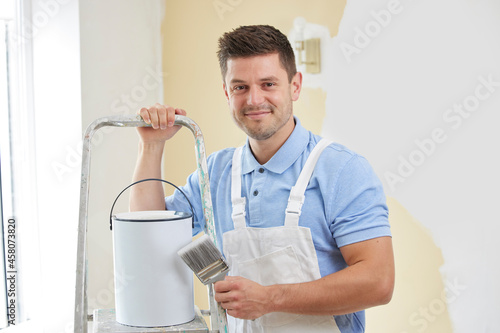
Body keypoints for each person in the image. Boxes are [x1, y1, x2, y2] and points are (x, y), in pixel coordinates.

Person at [130, 25, 394, 333]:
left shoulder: (342, 170)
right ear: (227, 93)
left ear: (295, 86)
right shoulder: (215, 172)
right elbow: (148, 237)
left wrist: (271, 298)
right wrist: (151, 146)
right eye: (240, 87)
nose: (254, 100)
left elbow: (378, 282)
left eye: (268, 84)